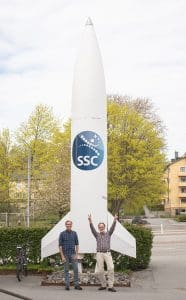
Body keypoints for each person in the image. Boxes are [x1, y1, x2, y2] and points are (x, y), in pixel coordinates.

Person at [88, 214, 118, 292]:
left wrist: (114, 220)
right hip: (99, 254)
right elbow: (92, 229)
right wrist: (90, 221)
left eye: (102, 227)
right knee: (100, 270)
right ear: (99, 228)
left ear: (104, 227)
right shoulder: (96, 235)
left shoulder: (108, 234)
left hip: (107, 253)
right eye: (100, 227)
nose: (101, 228)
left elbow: (112, 227)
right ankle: (103, 285)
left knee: (111, 268)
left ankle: (110, 286)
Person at [59, 220, 82, 291]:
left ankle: (76, 285)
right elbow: (60, 246)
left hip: (73, 254)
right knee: (66, 270)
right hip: (65, 254)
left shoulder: (74, 233)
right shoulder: (62, 234)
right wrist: (62, 256)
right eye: (67, 224)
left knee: (76, 269)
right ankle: (67, 285)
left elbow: (77, 244)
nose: (68, 225)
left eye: (70, 224)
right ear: (65, 225)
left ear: (71, 225)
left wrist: (76, 254)